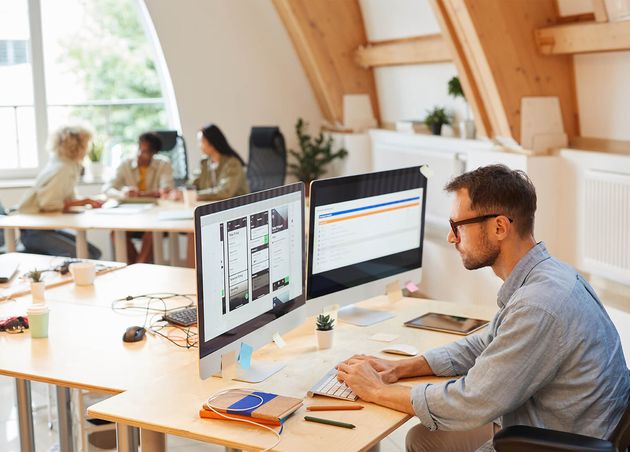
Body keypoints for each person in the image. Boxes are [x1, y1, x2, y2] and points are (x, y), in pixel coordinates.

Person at [336, 164, 630, 452]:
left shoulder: (539, 304)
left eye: (457, 226)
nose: (451, 237)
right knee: (423, 439)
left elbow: (471, 401)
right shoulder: (548, 275)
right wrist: (403, 367)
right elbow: (488, 343)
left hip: (556, 440)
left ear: (499, 227)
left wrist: (377, 390)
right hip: (560, 424)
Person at [17, 125, 103, 259]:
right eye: (87, 143)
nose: (88, 147)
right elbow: (49, 204)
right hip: (35, 232)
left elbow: (68, 198)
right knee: (85, 256)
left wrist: (88, 201)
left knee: (95, 253)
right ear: (77, 145)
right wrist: (85, 201)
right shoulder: (62, 168)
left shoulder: (67, 164)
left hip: (46, 228)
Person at [103, 132, 174, 263]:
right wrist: (123, 193)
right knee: (115, 233)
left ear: (154, 154)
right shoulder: (125, 164)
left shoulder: (163, 164)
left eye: (146, 152)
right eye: (139, 149)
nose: (140, 154)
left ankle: (138, 268)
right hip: (131, 217)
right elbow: (107, 189)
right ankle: (138, 268)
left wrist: (140, 194)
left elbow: (166, 190)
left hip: (155, 219)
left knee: (153, 233)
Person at [192, 124, 249, 201]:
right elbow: (195, 182)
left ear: (211, 143)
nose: (199, 146)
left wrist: (196, 195)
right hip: (214, 206)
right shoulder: (205, 163)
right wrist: (181, 192)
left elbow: (225, 192)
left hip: (236, 208)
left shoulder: (232, 163)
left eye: (201, 142)